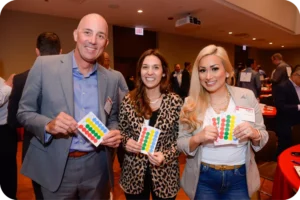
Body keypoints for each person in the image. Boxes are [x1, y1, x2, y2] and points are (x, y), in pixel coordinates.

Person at [17, 13, 122, 200]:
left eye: (100, 36)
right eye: (87, 32)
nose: (92, 41)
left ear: (106, 43)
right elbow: (24, 112)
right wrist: (48, 125)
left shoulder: (112, 79)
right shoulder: (44, 66)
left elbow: (112, 118)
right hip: (55, 166)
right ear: (76, 35)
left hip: (96, 167)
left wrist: (113, 132)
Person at [177, 45, 268, 200]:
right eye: (202, 70)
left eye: (214, 69)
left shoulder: (247, 97)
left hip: (239, 177)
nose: (208, 76)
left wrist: (254, 134)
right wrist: (198, 138)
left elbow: (263, 135)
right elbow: (181, 143)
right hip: (203, 177)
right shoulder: (190, 103)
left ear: (227, 71)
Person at [119, 49, 183, 200]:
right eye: (145, 67)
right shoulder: (129, 100)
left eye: (155, 67)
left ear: (163, 72)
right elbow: (120, 131)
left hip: (165, 175)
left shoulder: (175, 102)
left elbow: (181, 139)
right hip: (133, 174)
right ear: (140, 71)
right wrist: (126, 142)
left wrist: (165, 156)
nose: (150, 72)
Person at [7, 31, 62, 200]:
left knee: (41, 195)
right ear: (61, 52)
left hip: (33, 148)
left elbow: (14, 121)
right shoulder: (70, 78)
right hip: (63, 147)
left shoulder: (20, 79)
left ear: (37, 51)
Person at [274, 64, 300, 156]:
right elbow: (280, 106)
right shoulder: (282, 86)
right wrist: (298, 107)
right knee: (284, 148)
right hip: (285, 124)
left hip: (297, 124)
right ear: (295, 75)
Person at [0, 73, 17, 200]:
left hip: (6, 130)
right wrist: (7, 86)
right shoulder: (4, 82)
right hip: (2, 133)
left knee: (9, 169)